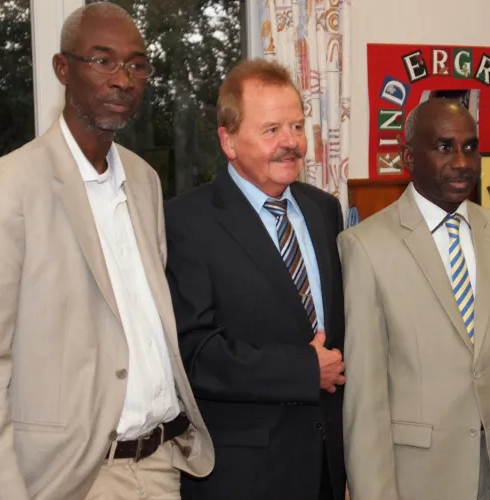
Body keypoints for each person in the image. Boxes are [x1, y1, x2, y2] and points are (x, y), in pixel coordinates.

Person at [0, 4, 214, 499]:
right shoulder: (8, 188)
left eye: (136, 64)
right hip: (72, 480)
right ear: (63, 69)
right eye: (102, 60)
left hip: (159, 467)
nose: (123, 79)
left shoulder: (144, 181)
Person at [340, 98, 490, 500]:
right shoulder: (365, 246)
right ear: (409, 157)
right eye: (444, 147)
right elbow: (365, 402)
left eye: (470, 146)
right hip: (418, 481)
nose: (462, 161)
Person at [165, 59, 346, 500]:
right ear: (228, 140)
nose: (292, 143)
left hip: (325, 465)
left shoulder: (324, 209)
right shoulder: (186, 221)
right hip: (242, 475)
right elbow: (194, 354)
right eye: (272, 130)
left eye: (298, 126)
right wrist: (304, 370)